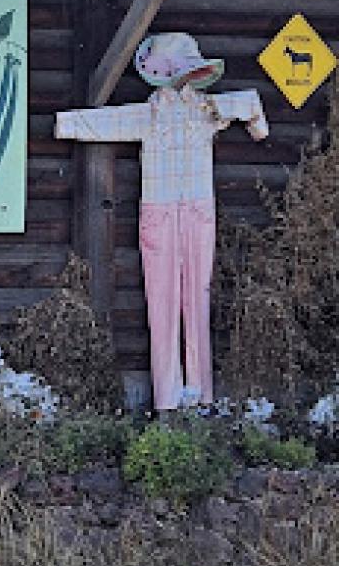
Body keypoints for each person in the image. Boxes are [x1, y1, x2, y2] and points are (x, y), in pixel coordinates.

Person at [55, 32, 268, 413]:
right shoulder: (150, 112)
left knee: (197, 296)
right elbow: (105, 122)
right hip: (161, 209)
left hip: (196, 208)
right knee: (163, 300)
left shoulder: (206, 109)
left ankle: (199, 393)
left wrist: (258, 126)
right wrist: (66, 124)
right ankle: (169, 398)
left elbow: (249, 104)